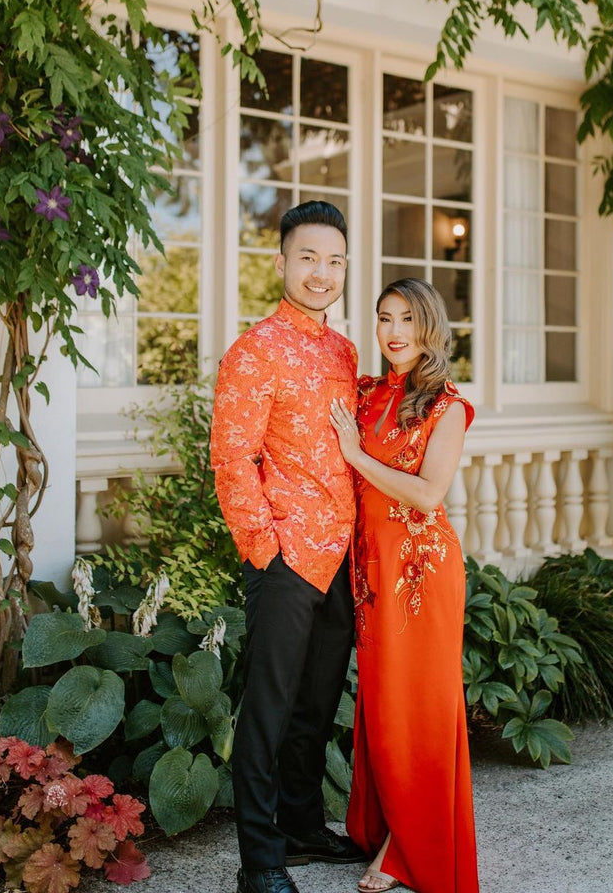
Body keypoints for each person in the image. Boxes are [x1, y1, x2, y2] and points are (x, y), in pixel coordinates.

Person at [211, 201, 367, 893]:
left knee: (316, 704)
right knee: (270, 709)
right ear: (280, 262)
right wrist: (262, 548)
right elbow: (231, 457)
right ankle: (261, 861)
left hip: (340, 558)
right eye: (308, 257)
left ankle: (303, 830)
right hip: (284, 558)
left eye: (333, 261)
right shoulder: (253, 352)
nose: (321, 272)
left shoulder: (343, 351)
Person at [329, 277, 479, 893]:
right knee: (383, 706)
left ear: (429, 329)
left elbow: (427, 494)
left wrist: (355, 455)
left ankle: (404, 848)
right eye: (384, 318)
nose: (393, 332)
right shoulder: (364, 395)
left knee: (416, 706)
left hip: (420, 572)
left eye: (407, 320)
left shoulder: (447, 405)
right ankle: (389, 826)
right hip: (370, 571)